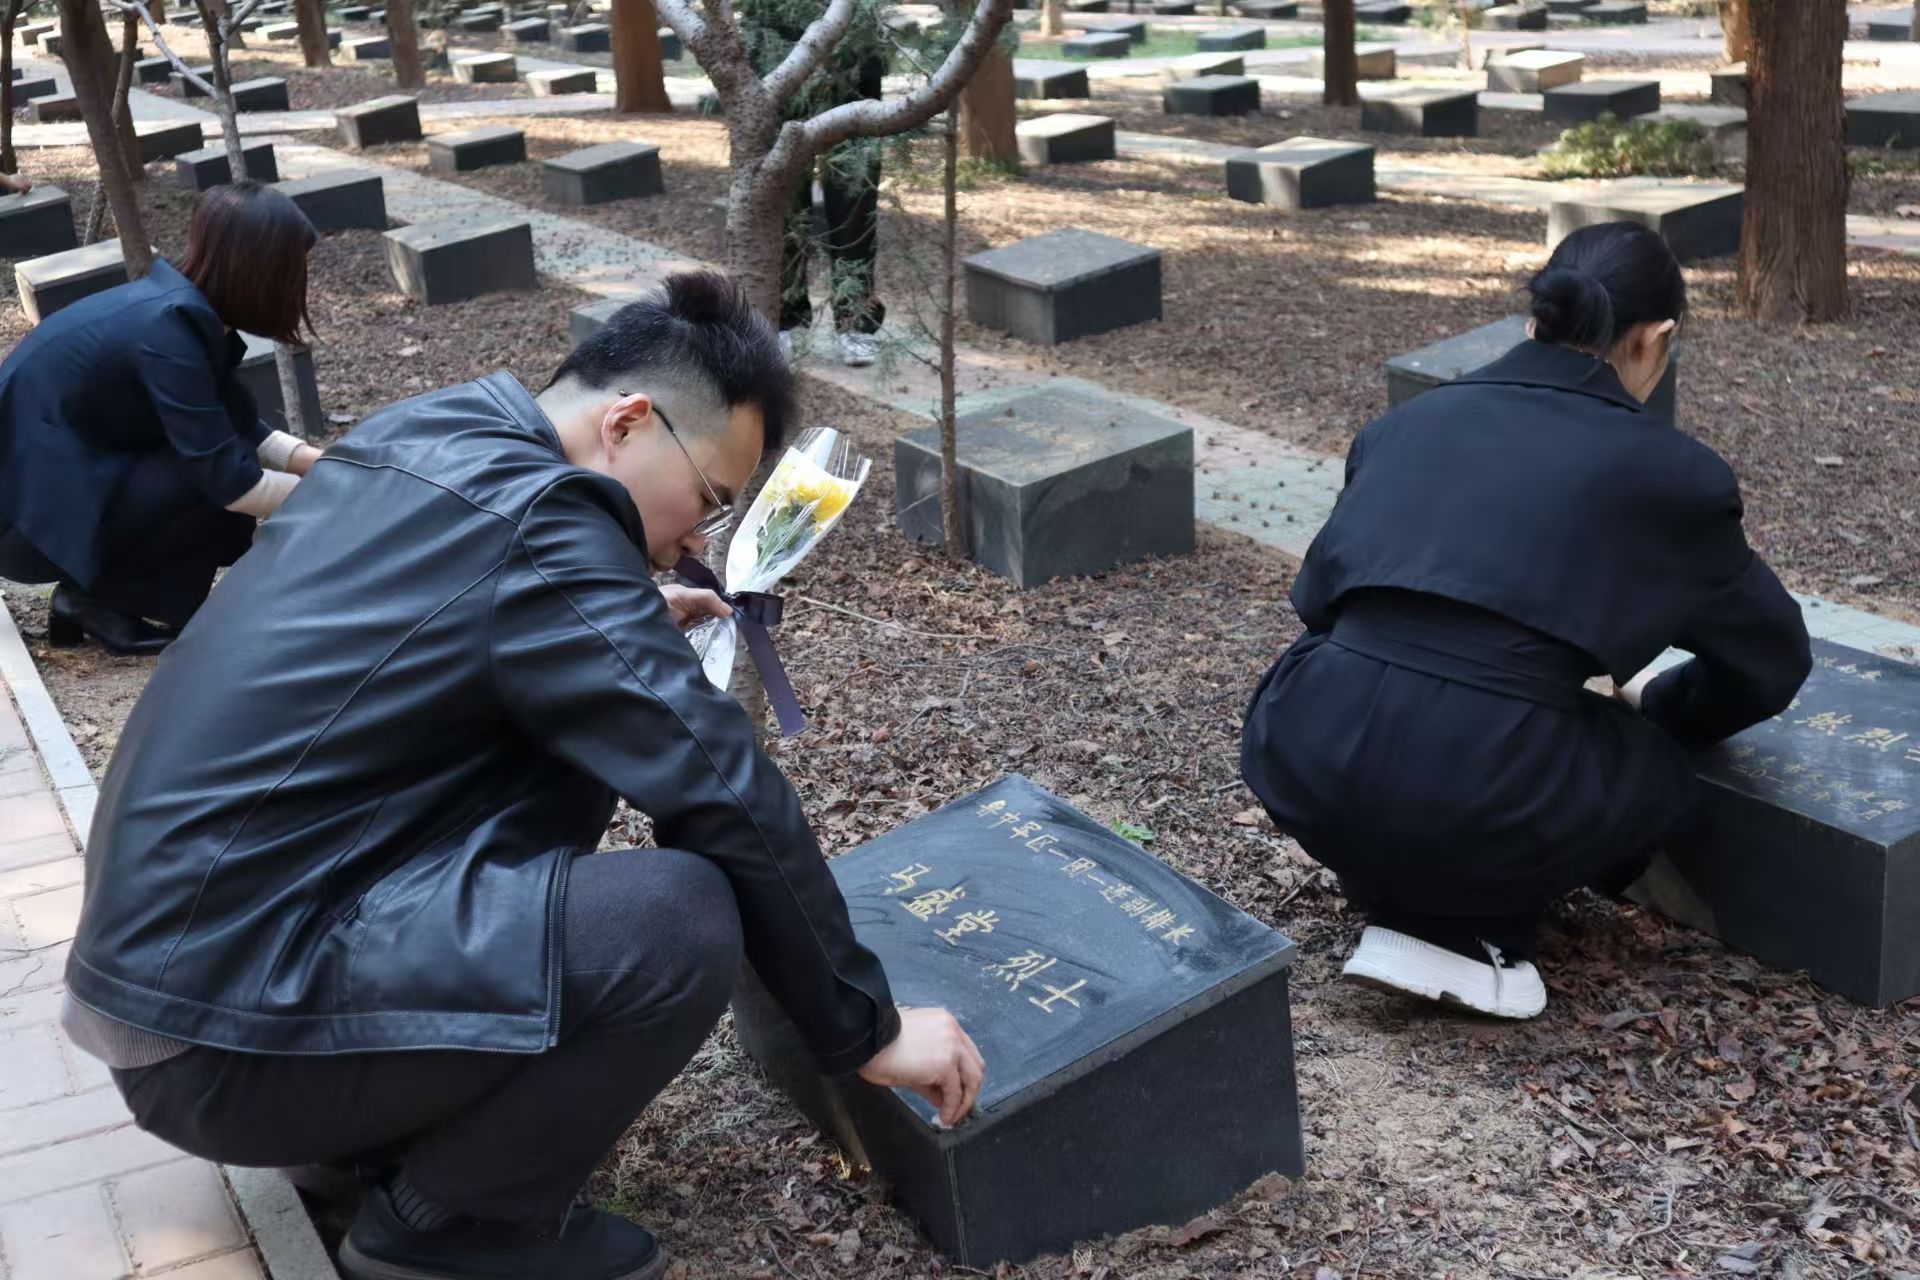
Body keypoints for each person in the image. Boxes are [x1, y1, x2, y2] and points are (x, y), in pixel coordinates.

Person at [62, 271, 986, 1280]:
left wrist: (622, 624)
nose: (695, 540)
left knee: (568, 766)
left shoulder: (434, 431)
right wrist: (869, 1026)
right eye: (711, 501)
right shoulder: (544, 525)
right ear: (629, 422)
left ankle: (369, 1131)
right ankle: (448, 1224)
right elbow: (721, 785)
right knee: (676, 918)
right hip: (228, 1038)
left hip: (180, 992)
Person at [1239, 221, 1811, 1021]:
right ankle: (1480, 936)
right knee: (1653, 773)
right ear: (1657, 339)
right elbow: (1770, 661)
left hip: (1305, 745)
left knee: (1437, 709)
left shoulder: (1407, 424)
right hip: (1486, 781)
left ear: (1538, 317)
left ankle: (1395, 889)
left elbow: (1317, 602)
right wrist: (1658, 708)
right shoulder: (1674, 475)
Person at [0, 181, 321, 655]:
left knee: (213, 463)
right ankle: (95, 600)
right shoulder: (167, 333)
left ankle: (90, 600)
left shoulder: (174, 307)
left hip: (49, 500)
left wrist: (326, 464)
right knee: (209, 479)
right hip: (21, 526)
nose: (299, 281)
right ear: (260, 270)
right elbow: (231, 482)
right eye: (294, 267)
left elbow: (225, 422)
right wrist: (335, 493)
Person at [741, 0, 889, 368]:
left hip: (851, 45)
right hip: (777, 42)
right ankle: (786, 320)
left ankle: (856, 321)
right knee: (783, 193)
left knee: (855, 190)